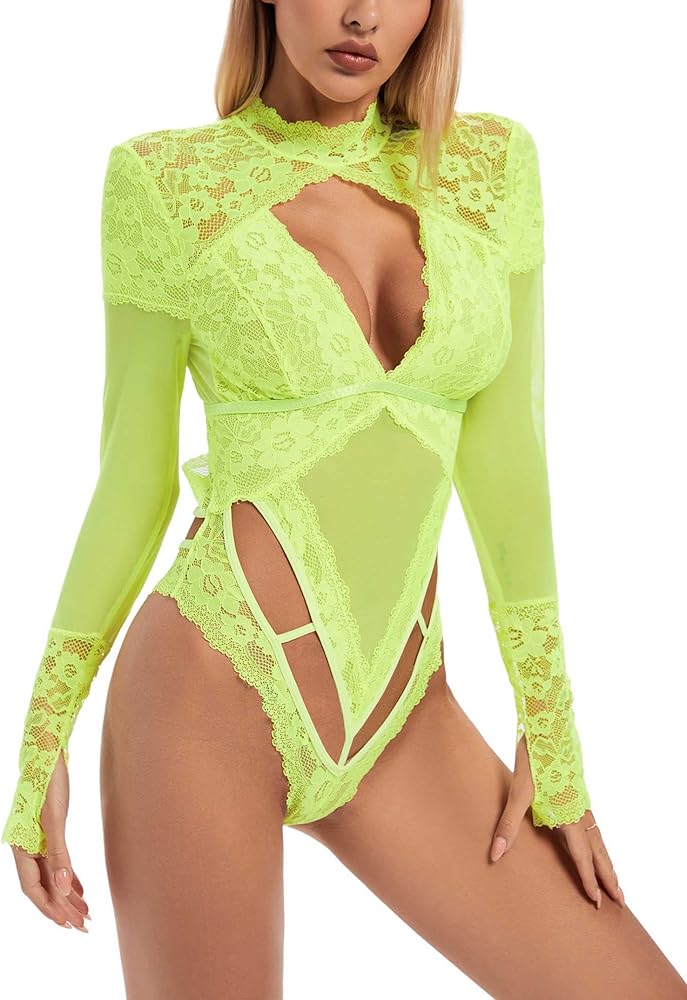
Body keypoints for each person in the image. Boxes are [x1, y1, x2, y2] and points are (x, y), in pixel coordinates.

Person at [4, 0, 686, 996]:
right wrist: (41, 743)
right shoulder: (167, 182)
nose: (362, 14)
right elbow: (130, 476)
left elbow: (508, 456)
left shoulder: (489, 168)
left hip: (404, 713)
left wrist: (552, 730)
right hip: (207, 690)